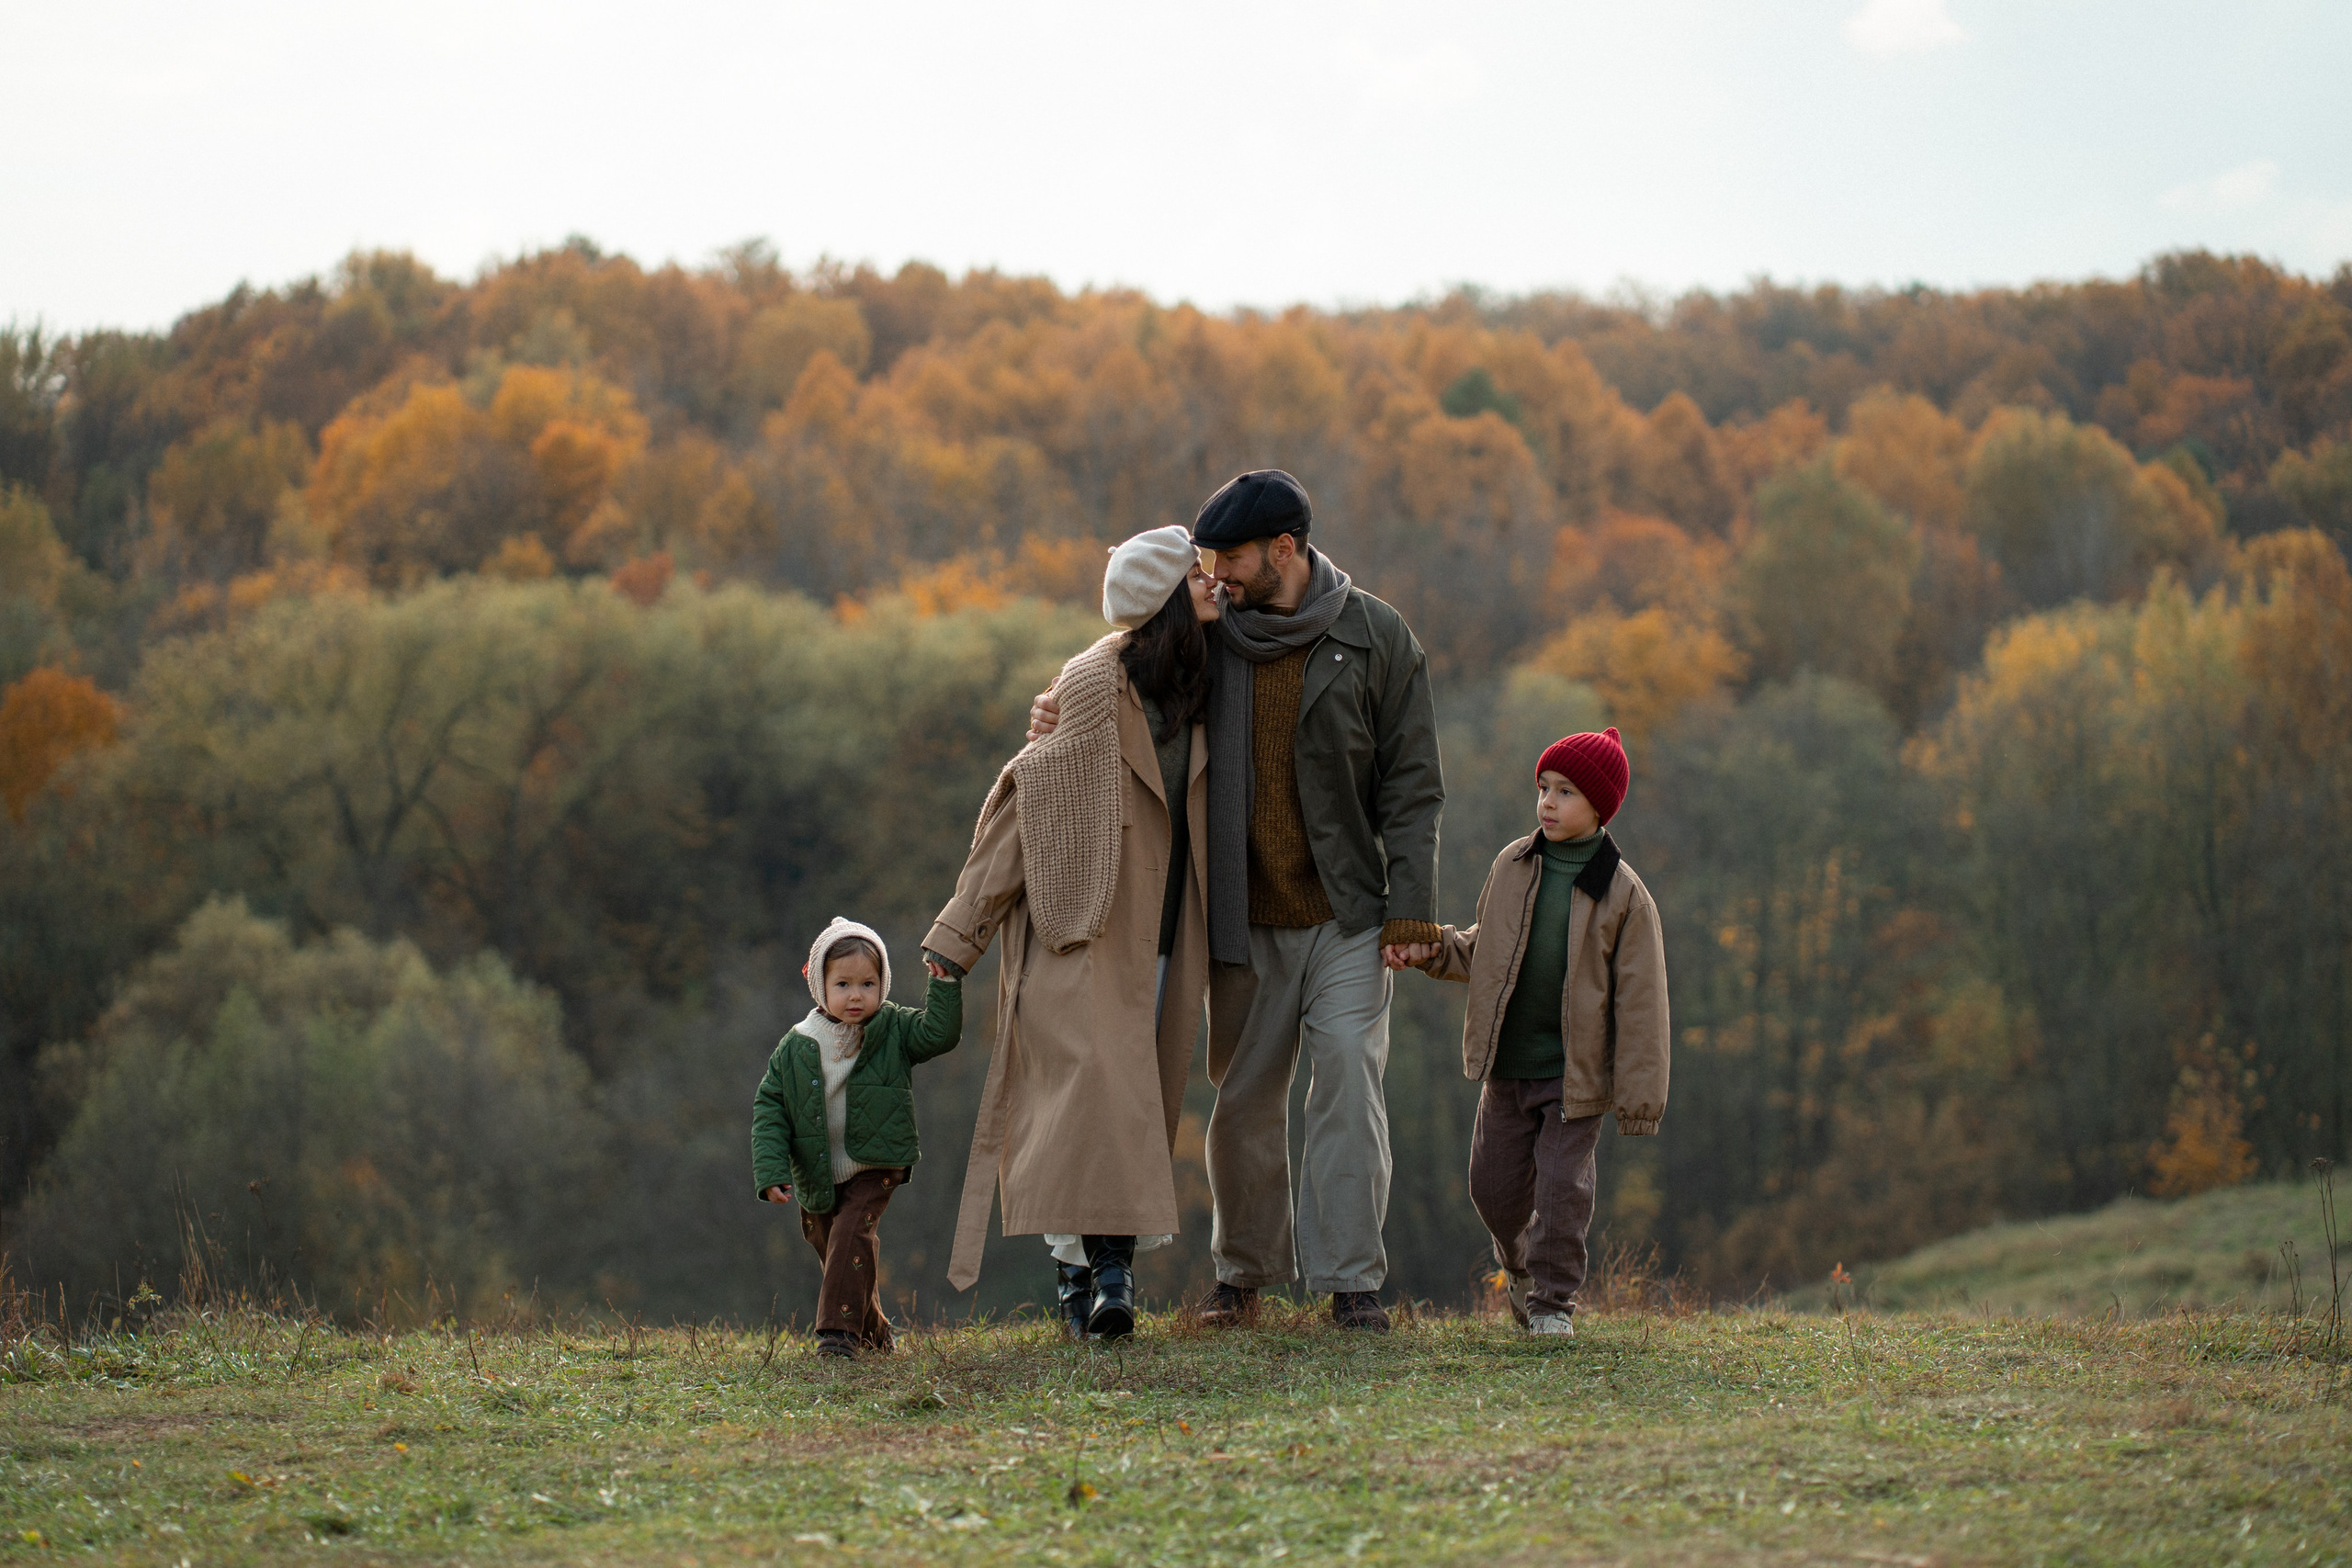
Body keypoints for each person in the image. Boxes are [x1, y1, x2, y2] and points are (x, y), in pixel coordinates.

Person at [1026, 469, 1444, 1331]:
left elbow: (1412, 786)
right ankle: (1241, 1280)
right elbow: (1129, 667)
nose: (1214, 574)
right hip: (1240, 917)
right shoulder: (1213, 635)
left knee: (1348, 1088)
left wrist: (1411, 908)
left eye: (1230, 556)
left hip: (1349, 917)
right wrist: (1060, 708)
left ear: (1283, 550)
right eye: (1205, 559)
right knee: (1244, 1103)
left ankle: (1352, 1285)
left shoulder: (1377, 637)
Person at [926, 525, 1221, 1340]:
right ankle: (1106, 1274)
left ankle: (1082, 1273)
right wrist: (960, 934)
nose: (1214, 585)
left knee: (1134, 1103)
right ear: (1164, 596)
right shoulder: (1094, 684)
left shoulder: (1205, 676)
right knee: (1090, 1097)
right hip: (1081, 924)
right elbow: (1030, 805)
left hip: (1164, 933)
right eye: (1198, 575)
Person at [1408, 728, 1668, 1337]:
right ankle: (1519, 1264)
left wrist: (1638, 1098)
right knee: (1492, 1188)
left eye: (1566, 791)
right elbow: (1483, 949)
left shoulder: (1624, 895)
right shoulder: (1514, 864)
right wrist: (1431, 947)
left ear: (1600, 806)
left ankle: (1552, 1303)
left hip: (1574, 1078)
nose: (1548, 802)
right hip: (1508, 1065)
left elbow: (1642, 1006)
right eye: (1544, 788)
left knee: (1560, 1192)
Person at [752, 917, 964, 1359]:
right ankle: (877, 1336)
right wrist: (771, 1170)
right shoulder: (796, 1045)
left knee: (851, 1235)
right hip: (818, 1170)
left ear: (883, 984)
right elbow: (770, 1109)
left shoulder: (893, 1028)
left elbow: (939, 1035)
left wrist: (944, 987)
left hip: (877, 1162)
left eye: (868, 983)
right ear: (819, 986)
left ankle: (837, 1336)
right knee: (831, 1246)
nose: (856, 995)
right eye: (843, 983)